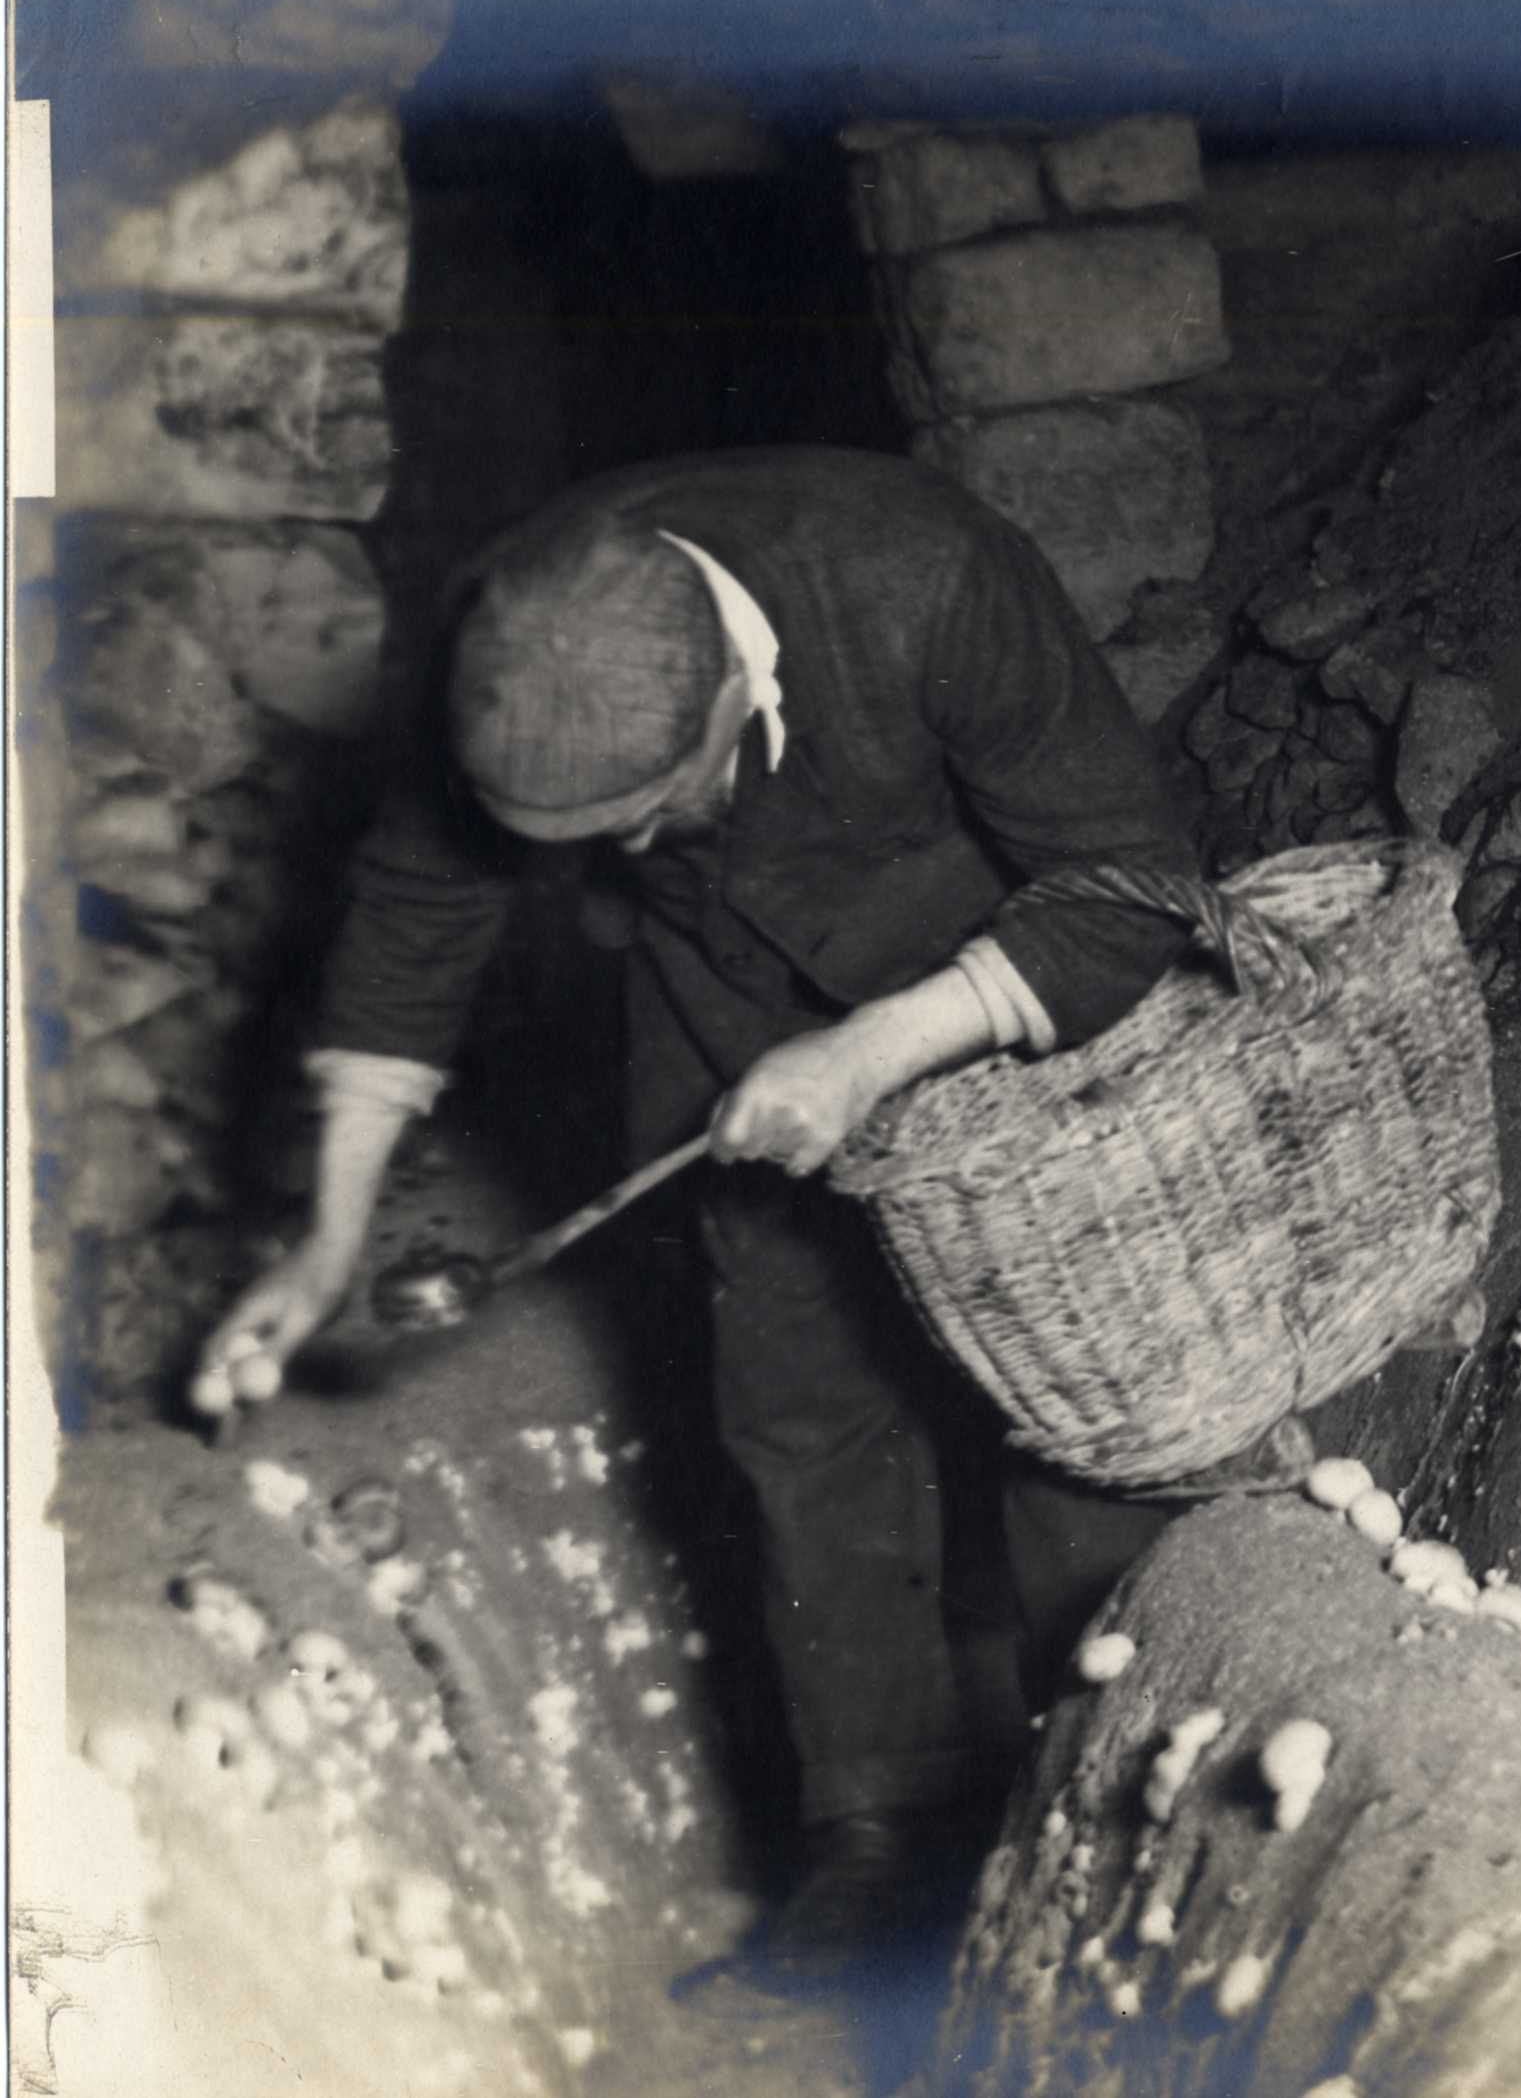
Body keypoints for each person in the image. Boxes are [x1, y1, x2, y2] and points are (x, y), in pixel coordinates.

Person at [191, 446, 1206, 1992]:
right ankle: (872, 1835)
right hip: (721, 999)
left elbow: (1131, 885)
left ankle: (1112, 1796)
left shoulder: (924, 578)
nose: (635, 854)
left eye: (662, 811)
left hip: (1004, 981)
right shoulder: (511, 637)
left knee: (1068, 1391)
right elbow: (412, 926)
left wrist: (875, 1047)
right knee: (794, 1401)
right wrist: (330, 1235)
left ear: (741, 693)